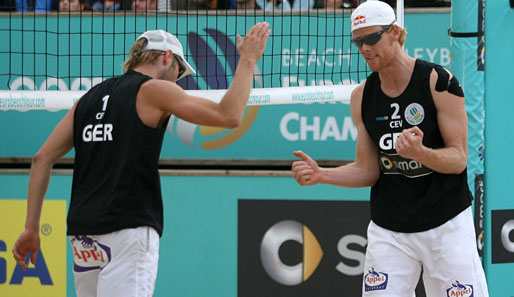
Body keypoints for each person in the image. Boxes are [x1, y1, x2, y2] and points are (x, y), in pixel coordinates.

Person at [12, 23, 270, 297]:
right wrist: (248, 60)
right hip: (127, 229)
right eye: (179, 72)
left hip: (83, 236)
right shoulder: (153, 90)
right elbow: (229, 115)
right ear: (167, 57)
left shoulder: (87, 99)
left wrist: (31, 228)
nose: (177, 80)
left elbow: (41, 159)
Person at [291, 1, 488, 296]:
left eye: (372, 38)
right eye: (358, 42)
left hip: (445, 222)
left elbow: (459, 160)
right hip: (391, 228)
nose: (365, 49)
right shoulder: (362, 97)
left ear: (395, 32)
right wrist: (322, 175)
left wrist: (421, 153)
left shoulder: (439, 82)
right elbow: (369, 171)